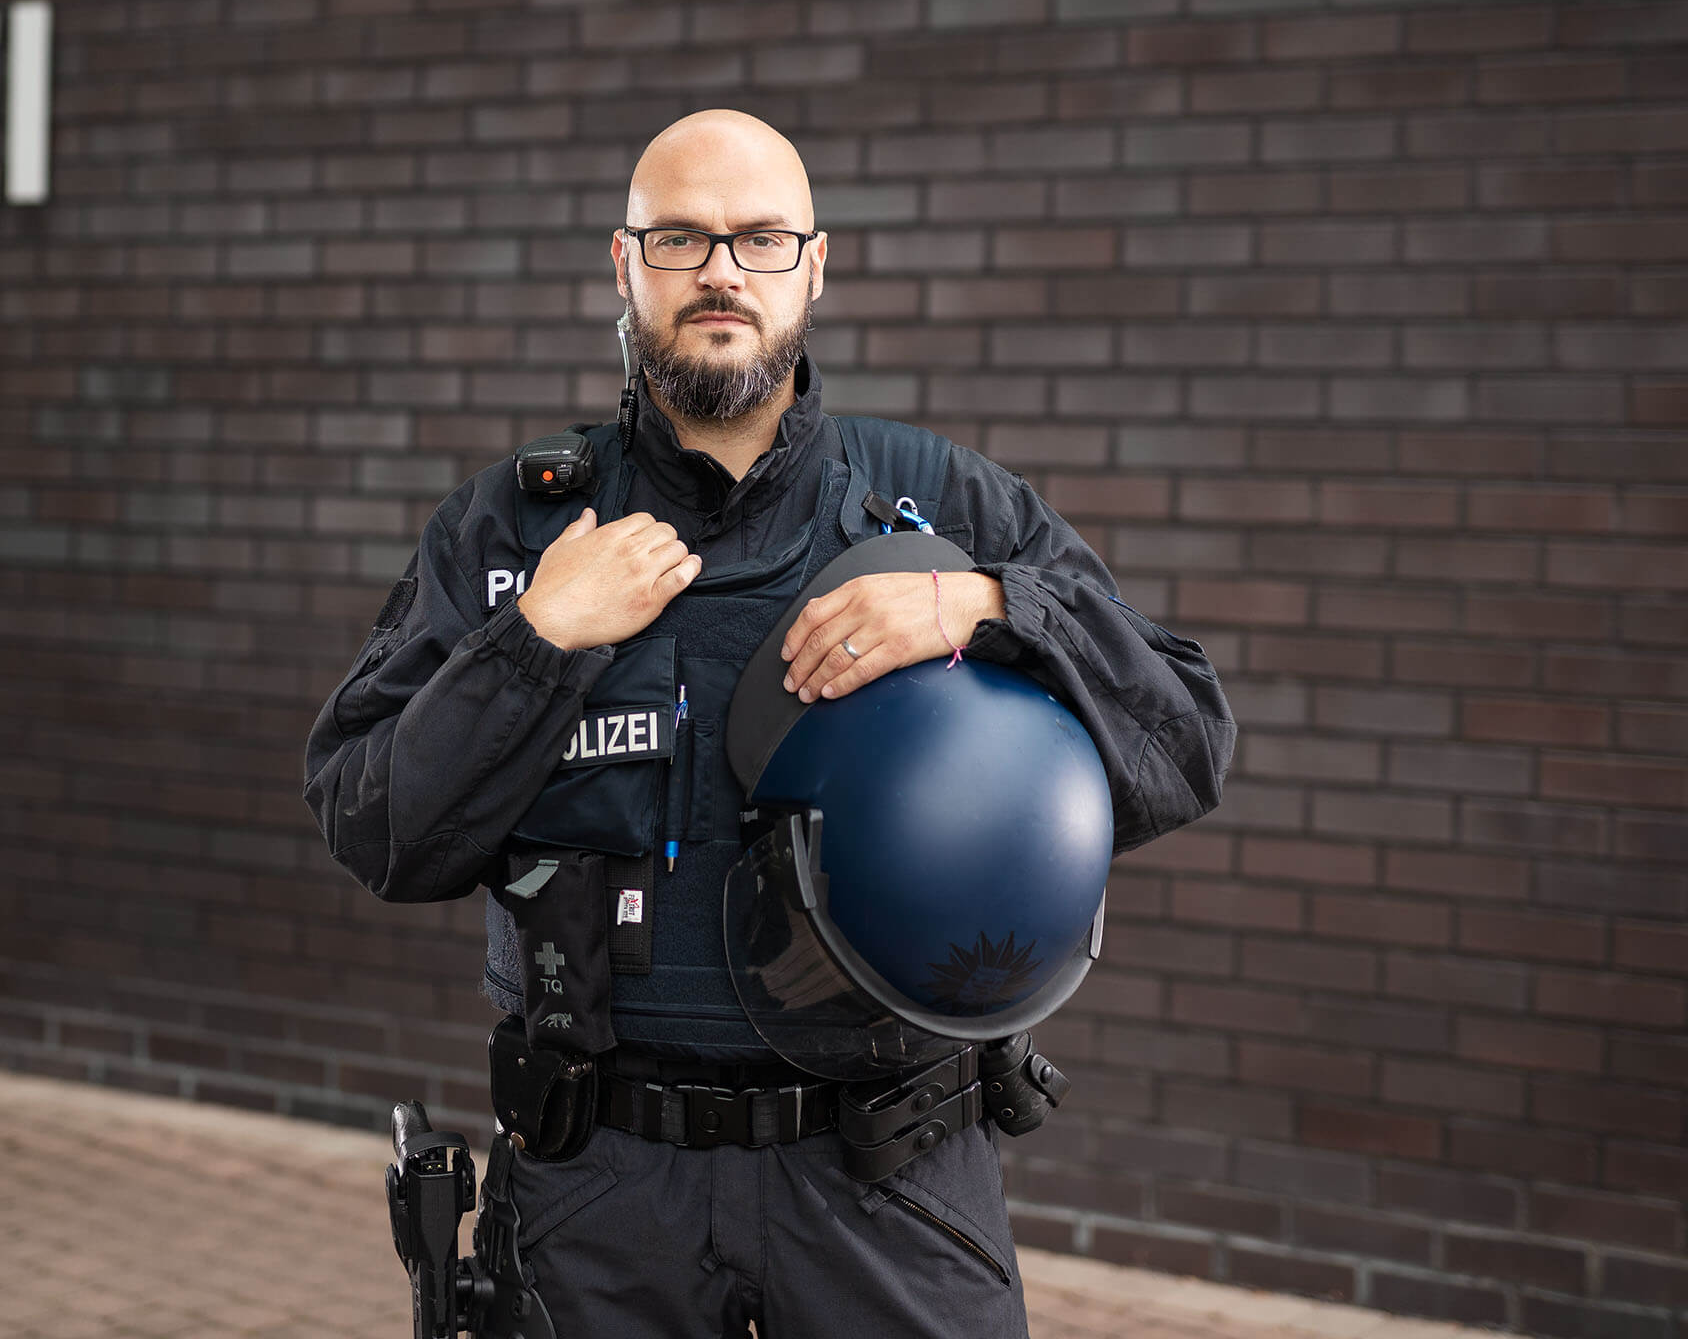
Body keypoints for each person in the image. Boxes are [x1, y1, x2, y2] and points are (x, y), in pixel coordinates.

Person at [306, 109, 1235, 1339]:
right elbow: (373, 825)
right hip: (598, 1198)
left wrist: (990, 605)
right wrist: (537, 639)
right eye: (680, 239)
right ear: (625, 264)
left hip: (888, 1186)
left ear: (815, 263)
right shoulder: (513, 534)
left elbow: (1186, 738)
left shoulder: (947, 509)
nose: (721, 272)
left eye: (759, 238)